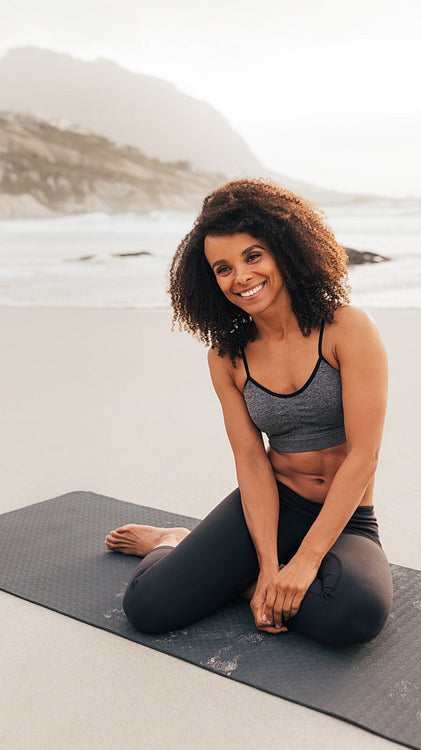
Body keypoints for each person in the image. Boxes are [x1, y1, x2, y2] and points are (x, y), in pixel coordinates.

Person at [105, 178, 393, 647]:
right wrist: (267, 568)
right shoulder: (227, 358)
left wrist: (303, 564)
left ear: (284, 250)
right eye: (222, 268)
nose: (240, 277)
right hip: (271, 505)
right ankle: (170, 542)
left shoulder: (347, 329)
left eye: (253, 256)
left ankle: (235, 581)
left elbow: (364, 455)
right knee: (147, 607)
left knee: (355, 616)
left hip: (347, 518)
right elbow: (252, 460)